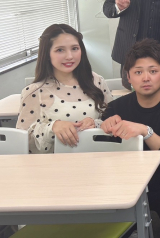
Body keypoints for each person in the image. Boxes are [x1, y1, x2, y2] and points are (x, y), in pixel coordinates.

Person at [101, 39, 160, 238]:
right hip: (127, 182)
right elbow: (104, 153)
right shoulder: (116, 109)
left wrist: (146, 131)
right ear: (128, 77)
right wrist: (103, 125)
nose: (146, 78)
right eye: (138, 72)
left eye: (153, 71)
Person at [16, 24, 113, 154]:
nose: (69, 56)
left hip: (97, 158)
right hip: (54, 163)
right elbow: (22, 142)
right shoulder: (34, 91)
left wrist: (95, 124)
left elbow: (114, 120)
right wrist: (52, 127)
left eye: (75, 48)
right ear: (47, 53)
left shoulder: (96, 80)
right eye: (60, 50)